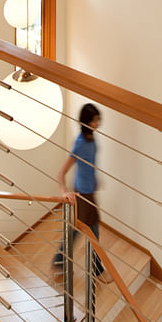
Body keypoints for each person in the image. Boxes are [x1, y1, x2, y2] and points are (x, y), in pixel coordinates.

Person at [53, 102, 111, 283]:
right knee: (93, 231)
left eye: (98, 120)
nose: (98, 124)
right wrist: (64, 192)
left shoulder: (91, 138)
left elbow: (89, 163)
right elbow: (61, 173)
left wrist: (94, 177)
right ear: (86, 121)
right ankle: (97, 268)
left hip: (89, 191)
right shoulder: (80, 143)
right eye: (95, 121)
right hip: (83, 195)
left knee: (77, 230)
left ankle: (59, 260)